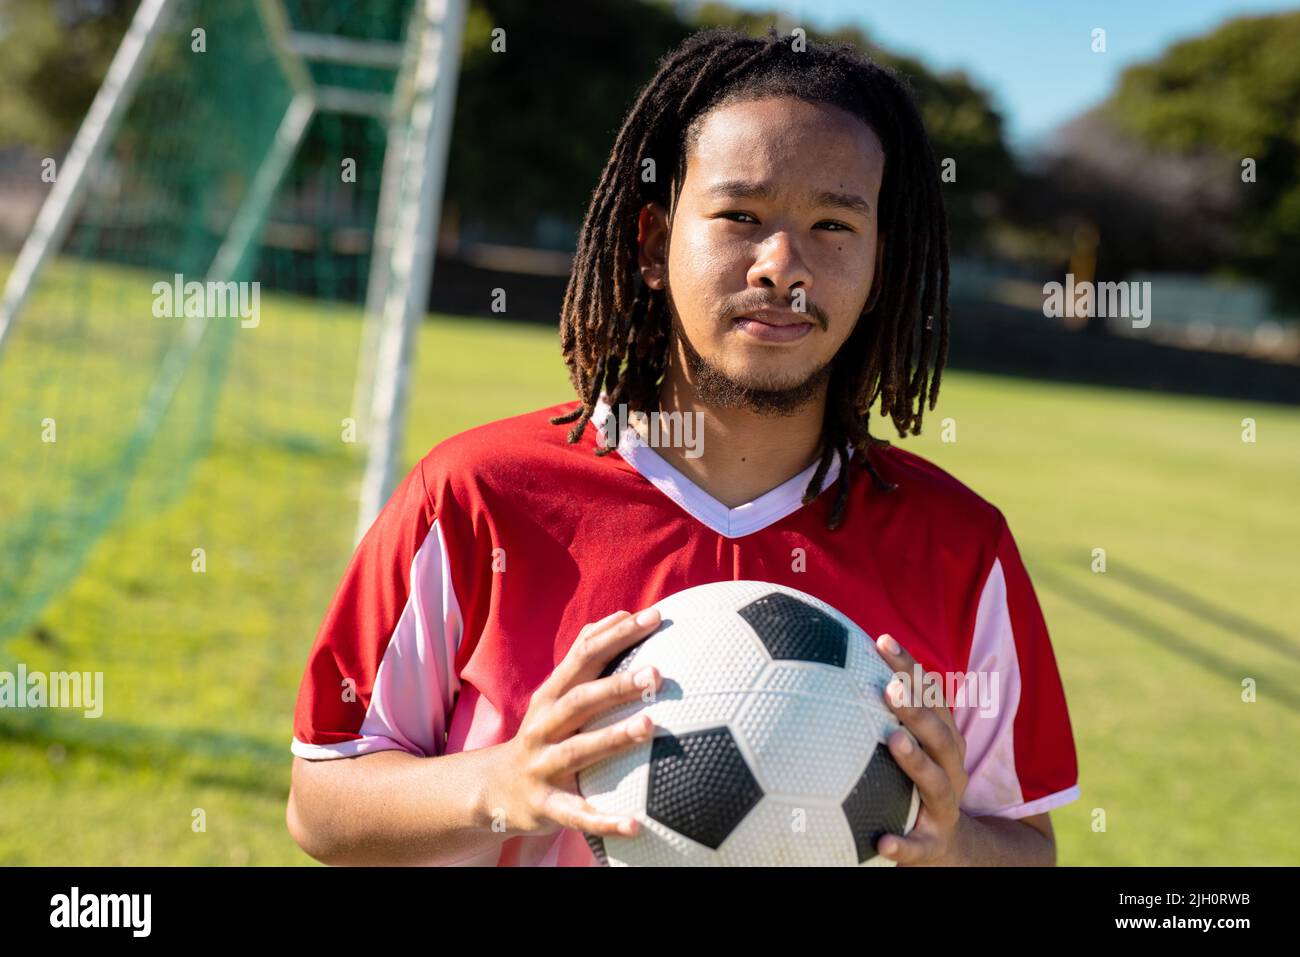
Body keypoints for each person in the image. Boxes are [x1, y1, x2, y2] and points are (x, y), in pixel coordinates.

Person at [286, 26, 1079, 866]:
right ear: (652, 244)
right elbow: (322, 805)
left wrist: (951, 845)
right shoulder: (479, 493)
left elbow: (1026, 848)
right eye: (740, 215)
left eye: (834, 225)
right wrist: (504, 783)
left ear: (881, 265)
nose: (783, 265)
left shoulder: (961, 545)